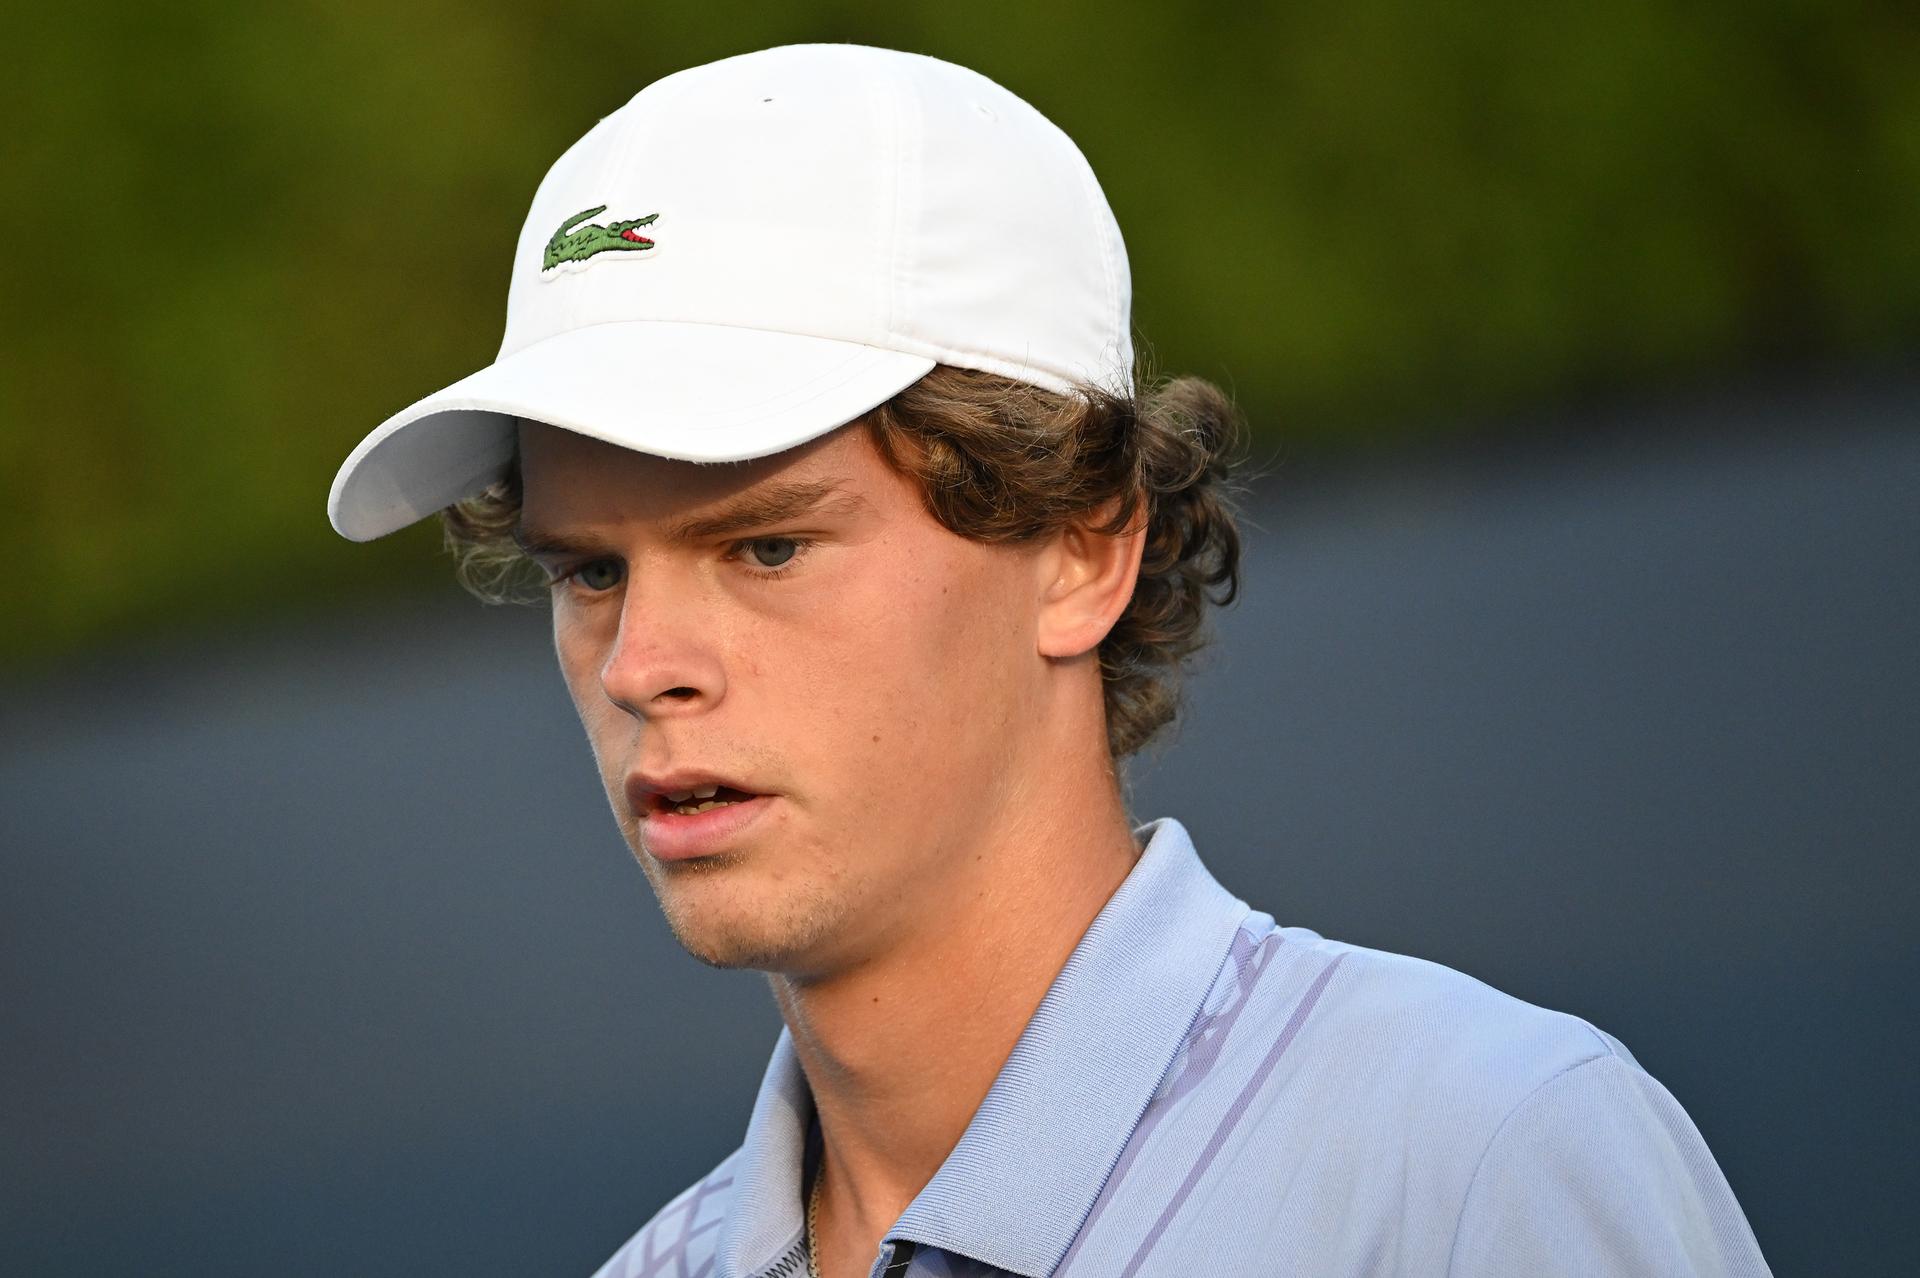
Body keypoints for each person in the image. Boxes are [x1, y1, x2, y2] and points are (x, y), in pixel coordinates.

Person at [327, 43, 1770, 1278]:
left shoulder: (1477, 1171)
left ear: (1084, 548)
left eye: (766, 546)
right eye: (591, 569)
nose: (643, 661)